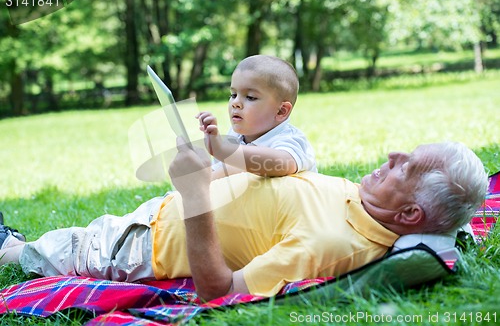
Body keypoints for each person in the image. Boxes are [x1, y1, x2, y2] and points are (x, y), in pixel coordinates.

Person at [0, 141, 488, 302]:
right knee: (58, 240)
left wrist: (194, 193)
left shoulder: (336, 246)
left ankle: (9, 245)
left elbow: (219, 291)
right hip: (163, 215)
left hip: (141, 247)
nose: (393, 154)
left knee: (34, 255)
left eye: (408, 166)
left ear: (408, 215)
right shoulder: (370, 203)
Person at [196, 55, 317, 179]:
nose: (235, 103)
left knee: (237, 168)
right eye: (233, 95)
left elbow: (283, 163)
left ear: (281, 111)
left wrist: (224, 150)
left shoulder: (290, 138)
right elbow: (218, 171)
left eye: (250, 97)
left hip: (291, 197)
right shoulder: (234, 136)